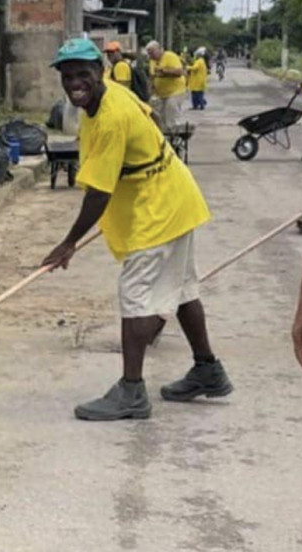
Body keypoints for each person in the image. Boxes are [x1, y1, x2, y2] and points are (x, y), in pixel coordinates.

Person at [42, 39, 231, 421]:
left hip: (160, 208)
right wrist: (145, 161)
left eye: (83, 74)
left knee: (135, 296)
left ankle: (131, 391)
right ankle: (207, 370)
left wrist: (69, 243)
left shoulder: (111, 113)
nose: (75, 82)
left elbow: (99, 193)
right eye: (68, 76)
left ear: (101, 70)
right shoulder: (106, 97)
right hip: (170, 195)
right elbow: (153, 121)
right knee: (182, 289)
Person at [145, 39, 186, 128]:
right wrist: (150, 91)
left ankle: (174, 137)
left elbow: (180, 72)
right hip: (160, 94)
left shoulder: (170, 56)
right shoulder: (152, 61)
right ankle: (163, 137)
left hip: (175, 92)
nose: (150, 55)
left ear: (159, 49)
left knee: (171, 115)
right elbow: (152, 77)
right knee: (158, 117)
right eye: (148, 53)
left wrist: (165, 71)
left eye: (152, 52)